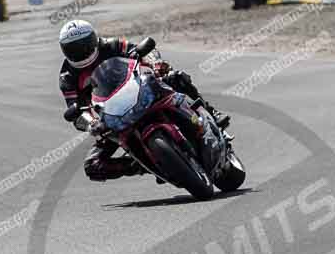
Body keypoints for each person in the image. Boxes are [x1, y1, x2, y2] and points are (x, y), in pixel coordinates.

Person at [58, 19, 229, 182]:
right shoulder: (67, 76)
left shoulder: (110, 44)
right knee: (93, 165)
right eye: (73, 49)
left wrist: (156, 64)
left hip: (142, 89)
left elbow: (144, 51)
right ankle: (143, 164)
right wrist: (91, 123)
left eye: (84, 45)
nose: (81, 52)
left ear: (94, 39)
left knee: (177, 78)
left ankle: (211, 111)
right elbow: (76, 110)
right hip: (112, 116)